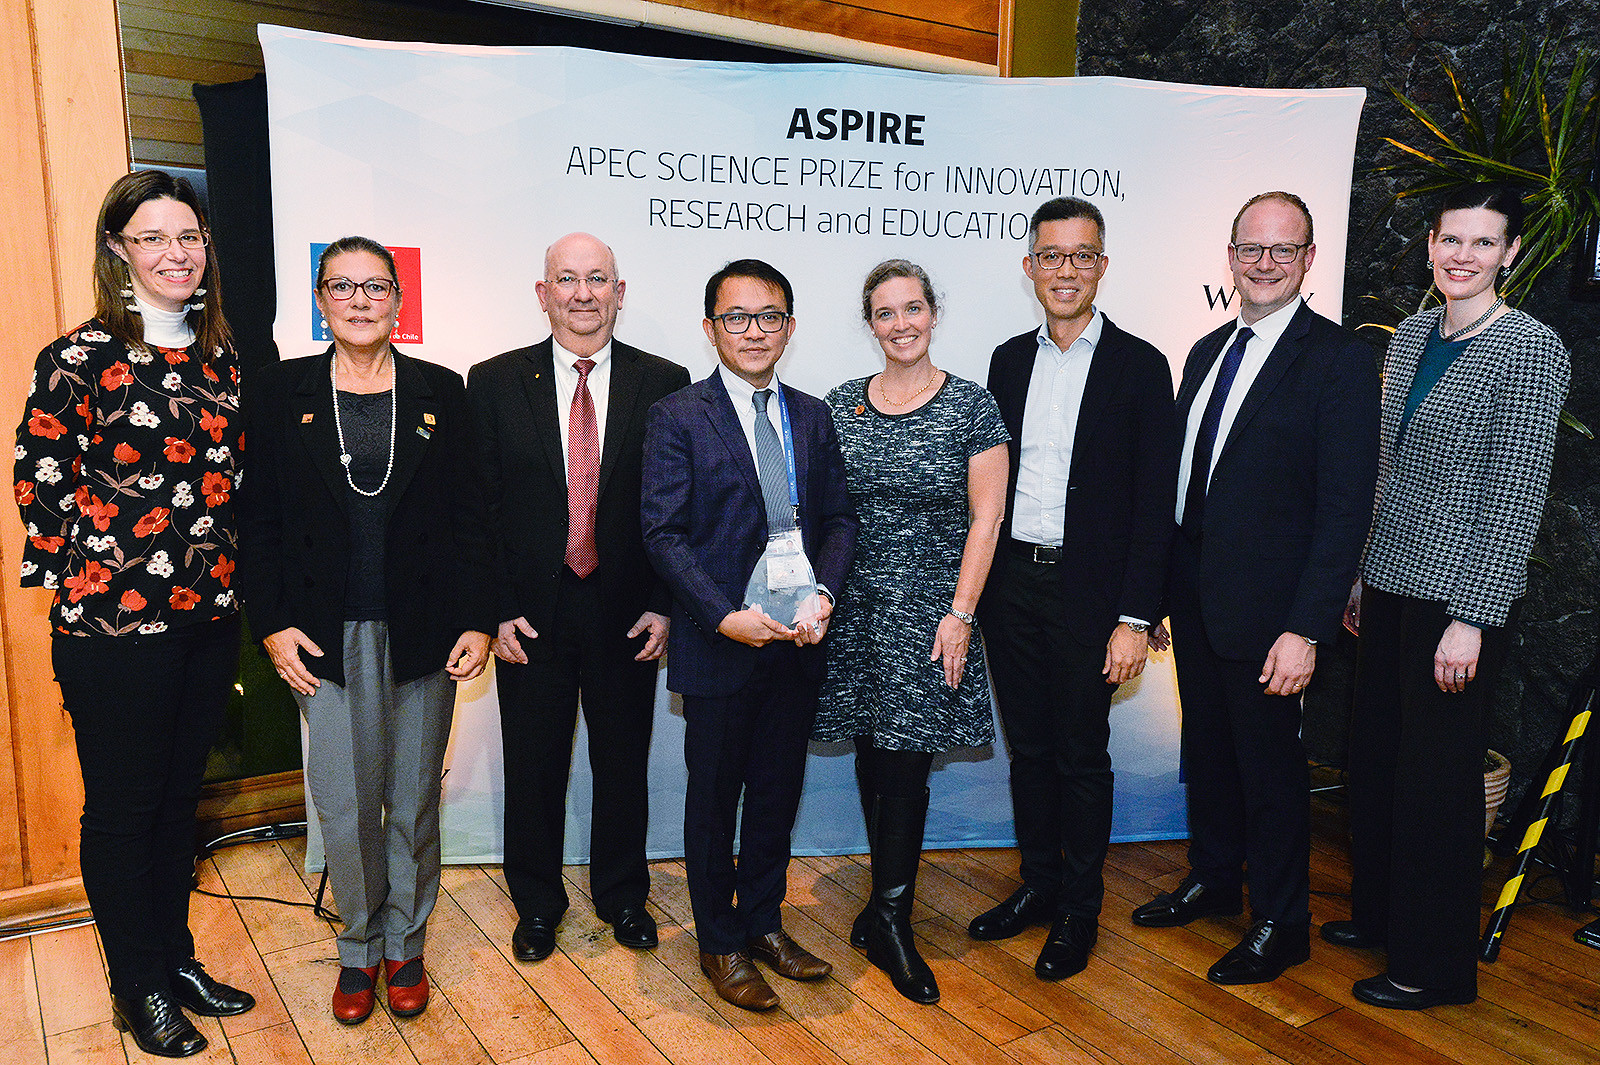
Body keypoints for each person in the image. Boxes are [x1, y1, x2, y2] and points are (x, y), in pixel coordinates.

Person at [12, 169, 255, 1057]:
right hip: (113, 631)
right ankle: (137, 987)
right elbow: (39, 479)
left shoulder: (220, 355)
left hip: (207, 617)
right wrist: (92, 581)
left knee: (177, 801)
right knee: (124, 807)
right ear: (119, 249)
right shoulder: (80, 356)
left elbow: (228, 485)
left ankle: (174, 957)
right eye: (153, 237)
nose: (175, 253)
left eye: (187, 236)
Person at [237, 236, 494, 1024]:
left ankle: (405, 945)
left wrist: (479, 618)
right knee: (345, 805)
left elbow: (472, 518)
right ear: (320, 299)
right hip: (323, 631)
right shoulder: (280, 392)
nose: (358, 299)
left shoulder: (442, 391)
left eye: (374, 286)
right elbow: (258, 520)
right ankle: (358, 950)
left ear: (398, 301)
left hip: (422, 628)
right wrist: (272, 622)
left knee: (413, 799)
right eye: (340, 286)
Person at [1130, 191, 1380, 985]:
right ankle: (1215, 876)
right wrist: (1164, 595)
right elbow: (1186, 484)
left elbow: (1345, 507)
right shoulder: (1205, 349)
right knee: (1208, 752)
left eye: (1282, 250)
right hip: (1200, 600)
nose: (1264, 263)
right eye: (1250, 249)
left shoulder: (1337, 360)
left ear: (1309, 260)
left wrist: (1306, 627)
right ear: (1230, 257)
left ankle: (1281, 921)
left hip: (1274, 616)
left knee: (1270, 769)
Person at [1332, 183, 1568, 1010]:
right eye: (1449, 240)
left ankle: (1431, 966)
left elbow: (1516, 492)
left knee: (1436, 783)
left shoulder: (1529, 349)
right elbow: (1387, 472)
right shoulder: (1413, 335)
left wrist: (1470, 618)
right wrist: (1362, 571)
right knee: (1379, 762)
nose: (1461, 256)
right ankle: (1382, 916)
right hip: (1391, 581)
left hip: (1456, 601)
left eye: (1482, 242)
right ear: (1429, 245)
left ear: (1509, 254)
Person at [965, 197, 1180, 982]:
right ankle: (1039, 885)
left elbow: (1157, 504)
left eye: (1081, 255)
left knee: (1081, 753)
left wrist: (1135, 616)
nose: (1065, 269)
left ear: (1102, 266)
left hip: (1094, 596)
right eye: (1051, 256)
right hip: (1011, 585)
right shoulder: (1005, 361)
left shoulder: (1142, 365)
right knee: (1030, 749)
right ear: (1030, 268)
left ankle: (1079, 909)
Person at [467, 233, 688, 963]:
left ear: (620, 293)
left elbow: (675, 505)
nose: (583, 292)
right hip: (531, 611)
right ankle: (537, 904)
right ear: (543, 292)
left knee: (624, 761)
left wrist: (664, 600)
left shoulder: (666, 380)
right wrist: (495, 606)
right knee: (533, 765)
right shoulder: (495, 381)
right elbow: (482, 506)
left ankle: (624, 896)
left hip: (627, 609)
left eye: (599, 279)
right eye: (568, 278)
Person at [642, 259, 856, 1011]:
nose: (753, 330)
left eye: (769, 316)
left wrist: (825, 590)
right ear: (711, 328)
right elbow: (662, 533)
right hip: (721, 642)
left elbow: (838, 519)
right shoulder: (678, 416)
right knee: (713, 800)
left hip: (798, 641)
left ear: (790, 327)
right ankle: (720, 941)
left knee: (775, 791)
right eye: (736, 317)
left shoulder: (812, 413)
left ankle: (764, 922)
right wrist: (719, 613)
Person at [817, 260, 1009, 1003]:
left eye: (913, 308)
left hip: (931, 615)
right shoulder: (839, 406)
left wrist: (961, 614)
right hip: (853, 611)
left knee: (905, 762)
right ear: (870, 323)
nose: (902, 324)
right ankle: (878, 908)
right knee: (873, 753)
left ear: (934, 313)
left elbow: (987, 517)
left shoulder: (971, 405)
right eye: (886, 313)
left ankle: (893, 918)